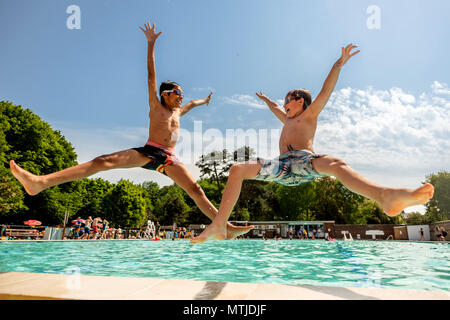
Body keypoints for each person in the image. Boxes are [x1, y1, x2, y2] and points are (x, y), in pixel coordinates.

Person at [8, 22, 253, 241]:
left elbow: (192, 104)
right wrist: (151, 44)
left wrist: (204, 101)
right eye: (178, 93)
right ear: (165, 94)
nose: (181, 97)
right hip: (148, 151)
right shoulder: (156, 105)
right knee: (102, 161)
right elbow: (151, 76)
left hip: (168, 158)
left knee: (196, 190)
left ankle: (225, 226)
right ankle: (39, 182)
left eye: (182, 94)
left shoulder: (178, 112)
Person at [191, 44, 434, 243]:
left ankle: (385, 196)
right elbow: (276, 108)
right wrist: (266, 100)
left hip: (306, 163)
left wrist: (337, 65)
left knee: (337, 164)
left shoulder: (309, 115)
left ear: (300, 101)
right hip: (281, 168)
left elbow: (325, 91)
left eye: (288, 99)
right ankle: (220, 225)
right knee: (236, 170)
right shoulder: (286, 118)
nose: (283, 103)